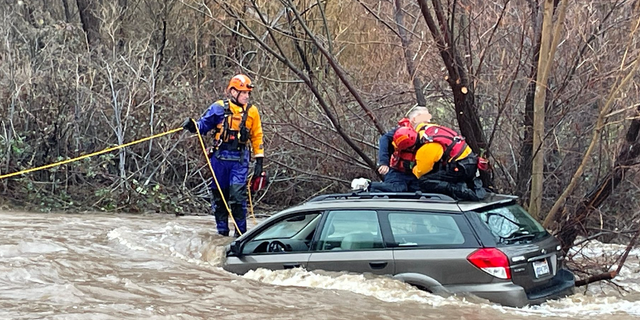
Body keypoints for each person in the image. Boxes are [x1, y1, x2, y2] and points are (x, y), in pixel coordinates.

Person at [182, 74, 265, 236]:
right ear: (233, 92)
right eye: (243, 93)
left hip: (239, 159)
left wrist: (259, 162)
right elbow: (203, 126)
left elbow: (257, 137)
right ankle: (222, 234)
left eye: (248, 93)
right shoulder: (218, 108)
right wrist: (193, 126)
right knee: (219, 198)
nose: (247, 96)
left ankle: (240, 235)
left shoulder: (252, 112)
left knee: (237, 197)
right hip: (219, 158)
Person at [411, 121, 487, 201]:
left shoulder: (427, 148)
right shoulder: (425, 128)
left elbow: (420, 173)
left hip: (461, 167)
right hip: (470, 159)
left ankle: (458, 190)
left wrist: (411, 166)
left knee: (425, 181)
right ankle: (468, 184)